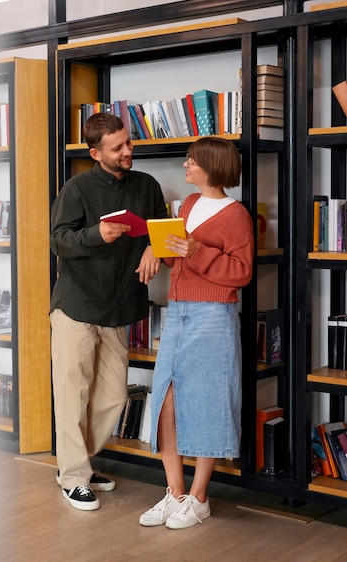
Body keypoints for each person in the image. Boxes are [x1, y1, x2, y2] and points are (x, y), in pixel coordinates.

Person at [50, 112, 167, 511]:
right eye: (118, 148)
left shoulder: (147, 186)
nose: (127, 151)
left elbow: (162, 230)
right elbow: (59, 241)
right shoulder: (77, 188)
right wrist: (96, 235)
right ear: (95, 152)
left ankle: (75, 462)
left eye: (129, 143)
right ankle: (74, 474)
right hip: (77, 305)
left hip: (120, 310)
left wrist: (155, 247)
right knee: (72, 394)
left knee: (114, 397)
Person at [139, 136, 254, 530]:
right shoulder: (187, 205)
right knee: (167, 403)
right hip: (179, 311)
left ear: (213, 167)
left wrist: (195, 251)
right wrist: (159, 247)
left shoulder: (236, 214)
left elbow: (241, 272)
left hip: (213, 315)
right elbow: (177, 258)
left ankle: (199, 497)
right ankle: (175, 492)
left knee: (207, 403)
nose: (185, 165)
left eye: (192, 160)